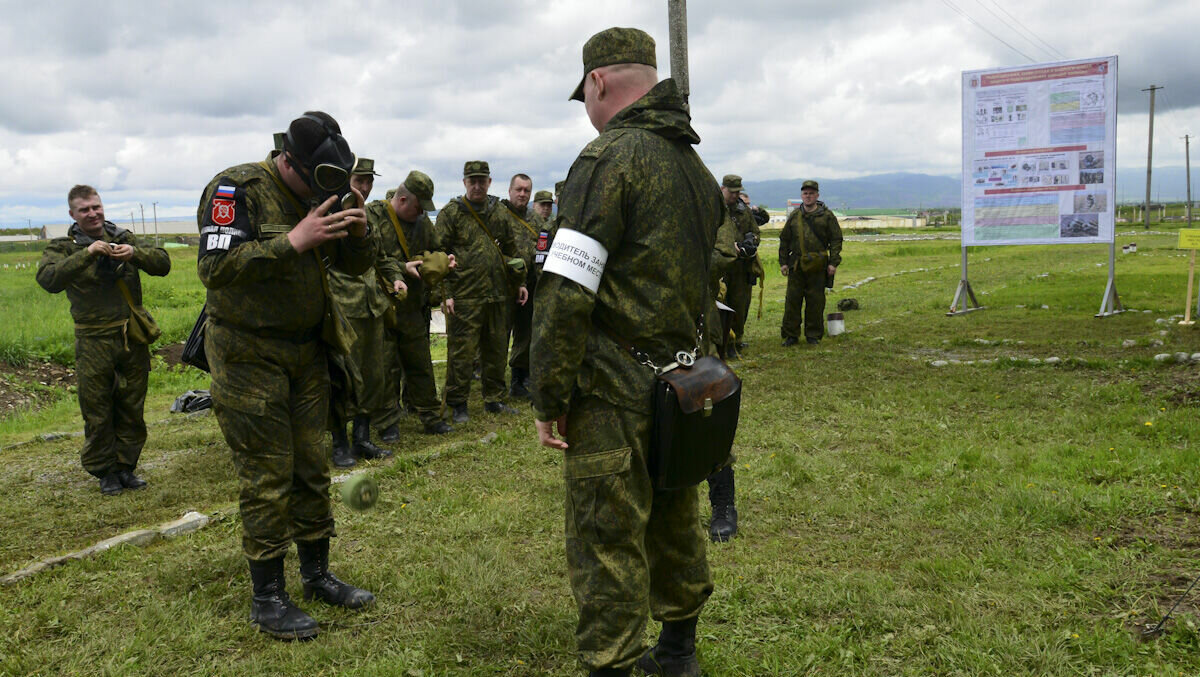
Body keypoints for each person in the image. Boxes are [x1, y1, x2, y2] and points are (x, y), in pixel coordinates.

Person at [532, 27, 721, 677]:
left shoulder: (605, 159)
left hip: (612, 384)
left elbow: (565, 286)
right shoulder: (694, 167)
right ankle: (678, 652)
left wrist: (548, 393)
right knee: (675, 511)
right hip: (683, 379)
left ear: (598, 82)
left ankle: (611, 665)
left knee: (606, 532)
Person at [197, 111, 377, 640]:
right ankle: (268, 597)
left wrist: (359, 235)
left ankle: (317, 574)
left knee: (312, 468)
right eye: (313, 180)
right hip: (249, 357)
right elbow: (214, 268)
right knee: (268, 474)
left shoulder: (325, 192)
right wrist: (293, 241)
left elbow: (355, 267)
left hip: (308, 354)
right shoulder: (238, 188)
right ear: (287, 161)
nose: (319, 193)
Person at [37, 185, 170, 496]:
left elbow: (163, 264)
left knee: (131, 403)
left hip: (130, 335)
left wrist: (135, 254)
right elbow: (48, 279)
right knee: (97, 407)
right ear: (73, 214)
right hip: (92, 338)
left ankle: (126, 466)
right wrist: (88, 254)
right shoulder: (63, 247)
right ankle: (105, 471)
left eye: (96, 207)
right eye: (84, 210)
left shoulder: (123, 238)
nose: (93, 213)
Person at [435, 160, 529, 424]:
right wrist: (446, 294)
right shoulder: (451, 214)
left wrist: (519, 281)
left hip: (498, 294)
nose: (477, 185)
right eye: (472, 181)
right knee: (462, 353)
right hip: (465, 295)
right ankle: (458, 402)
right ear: (464, 183)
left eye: (481, 180)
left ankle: (494, 399)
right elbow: (437, 256)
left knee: (497, 349)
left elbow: (512, 250)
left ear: (489, 183)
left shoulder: (498, 213)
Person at [371, 170, 455, 435]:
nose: (421, 214)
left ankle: (430, 417)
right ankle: (387, 423)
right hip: (382, 308)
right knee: (386, 368)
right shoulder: (374, 216)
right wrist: (401, 267)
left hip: (413, 309)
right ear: (403, 199)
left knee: (420, 365)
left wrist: (442, 262)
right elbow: (369, 257)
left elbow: (437, 248)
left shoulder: (422, 223)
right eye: (418, 207)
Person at [327, 157, 398, 467]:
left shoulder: (371, 214)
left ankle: (363, 439)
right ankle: (340, 443)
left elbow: (381, 256)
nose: (366, 186)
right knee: (344, 377)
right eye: (360, 179)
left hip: (373, 307)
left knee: (372, 373)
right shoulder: (334, 212)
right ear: (346, 178)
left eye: (370, 180)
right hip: (345, 305)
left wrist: (395, 276)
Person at [779, 180, 843, 346]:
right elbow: (784, 240)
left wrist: (833, 263)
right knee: (792, 301)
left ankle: (813, 335)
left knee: (815, 301)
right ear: (801, 195)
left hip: (818, 265)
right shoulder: (794, 216)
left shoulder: (827, 216)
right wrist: (783, 262)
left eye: (811, 193)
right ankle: (791, 335)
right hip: (797, 265)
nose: (808, 196)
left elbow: (836, 239)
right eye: (805, 193)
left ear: (817, 195)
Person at [501, 173, 542, 399]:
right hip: (504, 285)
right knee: (500, 334)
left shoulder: (536, 221)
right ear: (510, 191)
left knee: (525, 334)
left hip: (531, 286)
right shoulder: (499, 216)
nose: (522, 194)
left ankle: (519, 379)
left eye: (527, 190)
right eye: (518, 189)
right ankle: (495, 384)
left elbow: (542, 250)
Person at [718, 174, 761, 360]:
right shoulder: (713, 209)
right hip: (719, 267)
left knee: (739, 305)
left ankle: (735, 342)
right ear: (722, 189)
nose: (735, 196)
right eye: (732, 192)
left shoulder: (744, 211)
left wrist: (751, 242)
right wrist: (727, 246)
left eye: (738, 192)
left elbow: (755, 231)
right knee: (720, 305)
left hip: (741, 267)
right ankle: (720, 342)